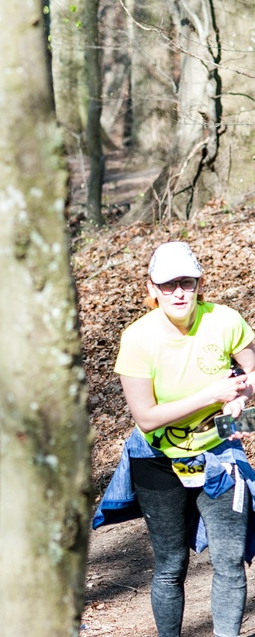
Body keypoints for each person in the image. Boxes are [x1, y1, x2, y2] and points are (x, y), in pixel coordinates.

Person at [93, 241, 255, 637]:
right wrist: (212, 395)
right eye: (168, 285)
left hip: (219, 452)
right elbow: (146, 418)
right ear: (152, 288)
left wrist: (242, 399)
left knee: (230, 560)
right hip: (157, 459)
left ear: (200, 283)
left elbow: (252, 374)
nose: (179, 293)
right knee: (170, 565)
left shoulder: (225, 320)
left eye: (187, 282)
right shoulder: (138, 338)